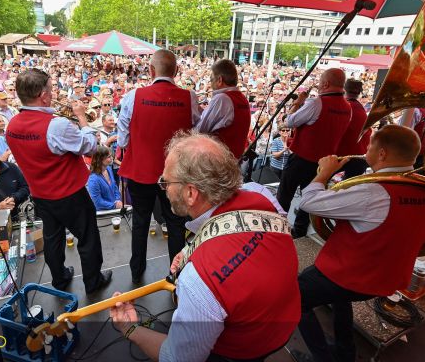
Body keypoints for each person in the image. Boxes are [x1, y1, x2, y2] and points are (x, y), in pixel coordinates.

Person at [110, 133, 300, 361]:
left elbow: (176, 358)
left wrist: (130, 329)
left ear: (191, 193)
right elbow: (247, 236)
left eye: (167, 182)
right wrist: (190, 249)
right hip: (283, 322)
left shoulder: (199, 281)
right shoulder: (259, 193)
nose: (165, 188)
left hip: (239, 351)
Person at [296, 125, 425, 362]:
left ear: (381, 154)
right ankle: (345, 352)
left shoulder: (374, 192)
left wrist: (323, 173)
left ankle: (323, 359)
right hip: (388, 276)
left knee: (294, 296)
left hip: (353, 276)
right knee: (341, 299)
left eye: (370, 144)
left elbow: (309, 202)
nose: (365, 148)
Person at [6, 68, 111, 294]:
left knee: (52, 238)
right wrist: (82, 117)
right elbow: (90, 146)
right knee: (88, 237)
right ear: (43, 95)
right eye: (51, 89)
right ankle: (93, 282)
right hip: (69, 194)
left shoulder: (11, 126)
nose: (53, 94)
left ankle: (59, 279)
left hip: (40, 194)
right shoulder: (56, 125)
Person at [117, 49, 200, 284]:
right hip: (176, 175)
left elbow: (122, 139)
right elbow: (196, 130)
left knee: (141, 221)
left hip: (140, 172)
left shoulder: (134, 96)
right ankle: (176, 276)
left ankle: (136, 271)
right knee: (176, 224)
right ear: (176, 71)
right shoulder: (189, 97)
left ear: (151, 70)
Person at [277, 68, 352, 239]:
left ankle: (278, 229)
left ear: (325, 84)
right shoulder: (348, 107)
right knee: (310, 199)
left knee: (284, 196)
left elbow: (288, 122)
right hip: (323, 164)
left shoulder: (316, 103)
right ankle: (300, 232)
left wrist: (297, 103)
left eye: (320, 82)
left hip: (301, 159)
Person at [195, 59, 251, 159]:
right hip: (234, 160)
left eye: (211, 79)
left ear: (220, 80)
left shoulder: (222, 98)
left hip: (219, 162)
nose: (210, 84)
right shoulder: (243, 99)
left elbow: (200, 131)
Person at [336, 78, 371, 179]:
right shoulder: (361, 109)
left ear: (344, 90)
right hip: (359, 157)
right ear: (359, 93)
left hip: (341, 155)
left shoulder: (343, 107)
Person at [86, 146, 122, 211]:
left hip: (115, 210)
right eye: (109, 157)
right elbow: (97, 202)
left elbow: (115, 187)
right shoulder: (93, 179)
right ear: (100, 159)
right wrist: (114, 205)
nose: (112, 158)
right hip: (104, 214)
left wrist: (118, 200)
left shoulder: (108, 169)